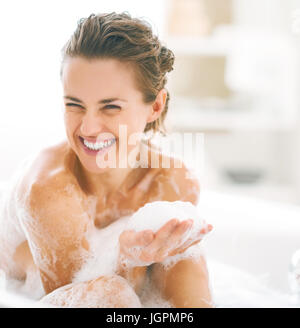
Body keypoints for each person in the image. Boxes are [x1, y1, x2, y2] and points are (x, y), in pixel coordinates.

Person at [0, 12, 213, 308]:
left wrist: (133, 260)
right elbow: (79, 295)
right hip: (27, 294)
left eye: (110, 107)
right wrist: (125, 259)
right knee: (112, 292)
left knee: (189, 260)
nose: (87, 128)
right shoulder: (48, 192)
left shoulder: (174, 183)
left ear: (155, 106)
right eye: (74, 104)